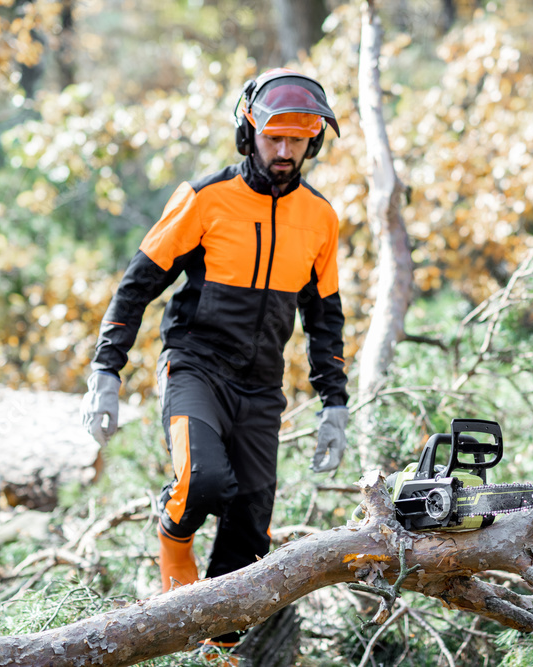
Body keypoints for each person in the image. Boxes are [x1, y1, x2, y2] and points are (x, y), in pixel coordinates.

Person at [80, 68, 350, 647]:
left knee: (251, 529)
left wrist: (335, 405)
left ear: (313, 141)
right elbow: (137, 284)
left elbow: (325, 316)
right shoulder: (205, 199)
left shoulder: (321, 217)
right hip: (195, 366)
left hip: (261, 386)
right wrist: (106, 371)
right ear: (248, 132)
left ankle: (215, 653)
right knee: (201, 480)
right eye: (273, 137)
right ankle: (173, 541)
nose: (284, 151)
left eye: (297, 139)